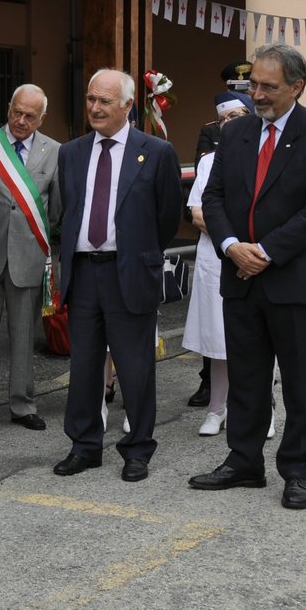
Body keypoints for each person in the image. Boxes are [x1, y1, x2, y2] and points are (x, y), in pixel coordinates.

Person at [190, 44, 306, 510]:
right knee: (248, 377)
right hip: (240, 276)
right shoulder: (233, 134)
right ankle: (243, 461)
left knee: (299, 382)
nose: (256, 93)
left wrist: (269, 251)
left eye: (268, 87)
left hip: (296, 280)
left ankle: (298, 471)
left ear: (297, 87)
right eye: (252, 84)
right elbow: (213, 198)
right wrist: (230, 245)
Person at [51, 69, 182, 482]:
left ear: (127, 105)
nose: (94, 107)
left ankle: (137, 449)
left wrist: (139, 255)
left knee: (135, 367)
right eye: (90, 99)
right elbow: (66, 212)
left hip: (129, 273)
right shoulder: (71, 152)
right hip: (84, 274)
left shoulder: (156, 152)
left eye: (104, 101)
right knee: (84, 366)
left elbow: (166, 217)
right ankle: (85, 445)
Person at [0, 84, 60, 433]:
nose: (21, 120)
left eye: (30, 116)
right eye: (16, 112)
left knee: (23, 336)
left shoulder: (54, 151)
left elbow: (56, 208)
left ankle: (22, 404)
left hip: (29, 254)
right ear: (9, 107)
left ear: (42, 118)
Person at [184, 91, 253, 436]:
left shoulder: (263, 154)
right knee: (218, 339)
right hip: (218, 257)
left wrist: (244, 244)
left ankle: (261, 409)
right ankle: (217, 409)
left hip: (256, 259)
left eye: (239, 115)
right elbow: (198, 213)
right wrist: (233, 240)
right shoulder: (210, 161)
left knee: (257, 340)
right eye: (225, 119)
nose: (231, 123)